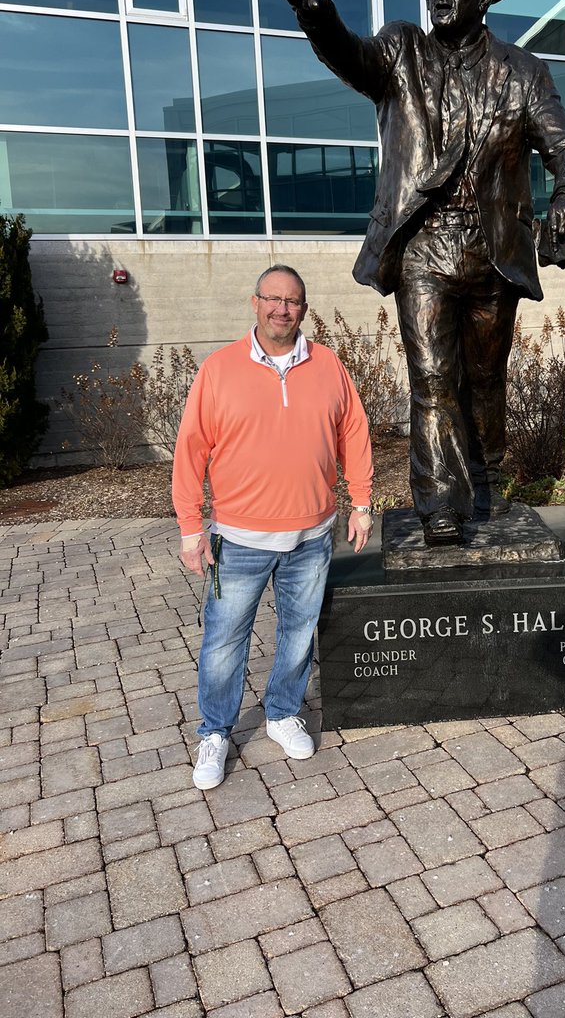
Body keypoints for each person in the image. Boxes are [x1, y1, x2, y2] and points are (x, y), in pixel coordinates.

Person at [279, 0, 565, 547]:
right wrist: (313, 8)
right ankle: (440, 505)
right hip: (424, 244)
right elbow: (349, 56)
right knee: (431, 377)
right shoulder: (401, 51)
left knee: (484, 379)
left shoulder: (523, 73)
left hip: (493, 253)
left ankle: (484, 478)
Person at [173, 265, 374, 790]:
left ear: (304, 309)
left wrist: (361, 502)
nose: (282, 309)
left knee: (299, 634)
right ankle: (215, 732)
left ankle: (283, 713)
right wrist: (190, 528)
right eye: (273, 299)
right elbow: (191, 451)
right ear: (255, 302)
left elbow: (354, 431)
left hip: (311, 536)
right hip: (237, 539)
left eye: (293, 301)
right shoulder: (219, 370)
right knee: (223, 642)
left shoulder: (329, 366)